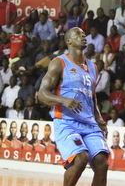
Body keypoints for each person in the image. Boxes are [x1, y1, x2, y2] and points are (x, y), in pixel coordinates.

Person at [38, 27, 109, 186]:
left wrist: (99, 119)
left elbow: (92, 96)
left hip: (89, 123)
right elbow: (41, 94)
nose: (83, 36)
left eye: (84, 34)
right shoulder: (59, 63)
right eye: (78, 34)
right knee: (80, 159)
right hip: (67, 122)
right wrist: (63, 100)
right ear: (68, 41)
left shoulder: (93, 67)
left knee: (102, 164)